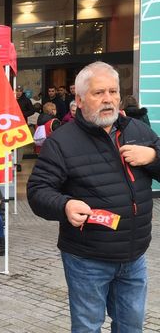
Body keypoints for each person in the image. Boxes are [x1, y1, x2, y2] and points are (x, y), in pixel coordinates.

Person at [27, 61, 160, 332]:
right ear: (79, 99)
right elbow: (38, 191)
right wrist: (65, 205)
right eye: (99, 93)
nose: (108, 99)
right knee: (88, 326)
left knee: (132, 326)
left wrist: (154, 157)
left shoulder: (138, 131)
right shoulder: (61, 142)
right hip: (87, 259)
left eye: (113, 91)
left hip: (134, 255)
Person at [15, 86, 35, 172]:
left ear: (22, 92)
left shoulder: (26, 100)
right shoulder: (10, 98)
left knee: (20, 144)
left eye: (20, 91)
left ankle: (18, 163)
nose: (18, 92)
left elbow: (32, 110)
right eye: (17, 91)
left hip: (22, 124)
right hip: (10, 123)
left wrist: (22, 114)